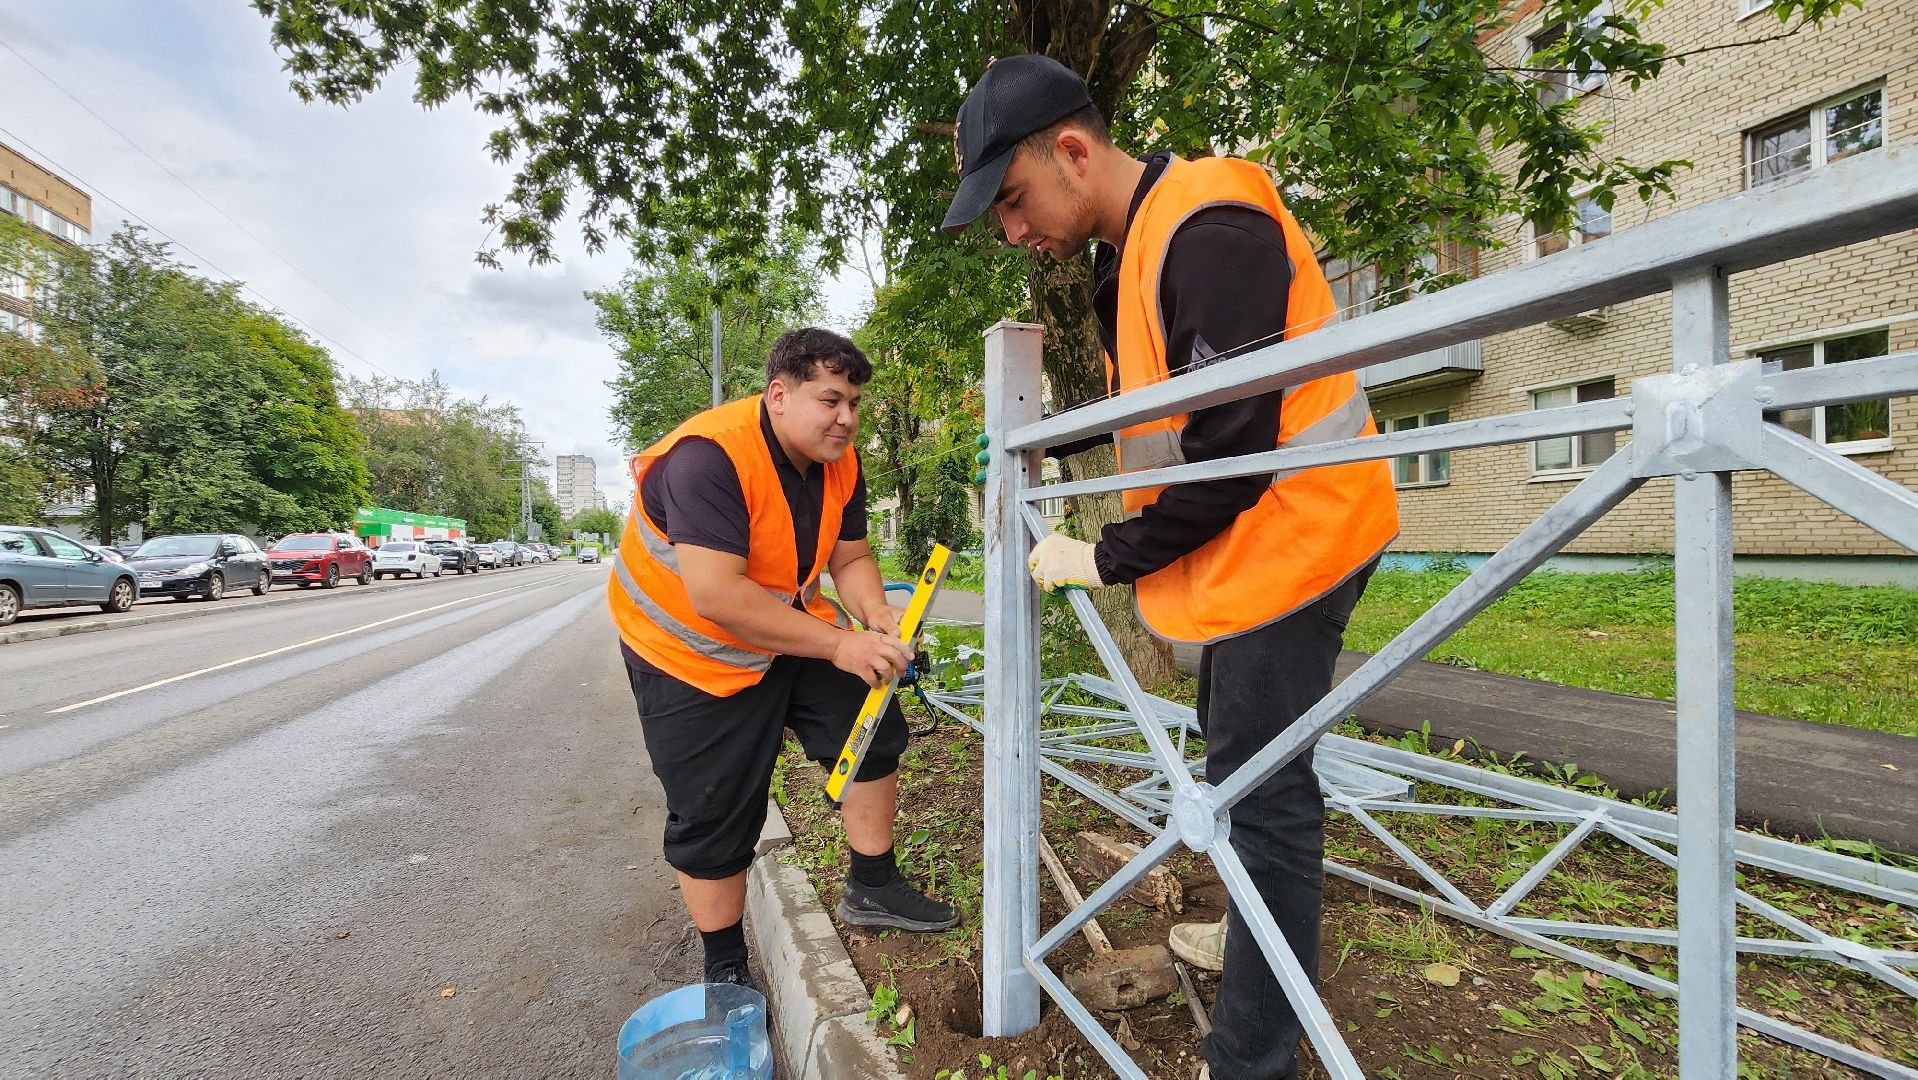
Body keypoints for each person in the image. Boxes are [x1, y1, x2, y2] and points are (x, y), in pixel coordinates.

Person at [942, 55, 1400, 1079]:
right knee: (1243, 784)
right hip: (1255, 549)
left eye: (1011, 199)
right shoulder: (1138, 248)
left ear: (1071, 150)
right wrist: (1052, 440)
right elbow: (1161, 419)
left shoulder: (1208, 225)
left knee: (1264, 799)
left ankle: (1251, 1058)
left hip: (1298, 538)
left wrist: (1097, 555)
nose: (1011, 231)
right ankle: (1254, 964)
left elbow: (1229, 458)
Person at [608, 327, 959, 988]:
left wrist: (875, 616)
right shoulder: (707, 458)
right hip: (690, 655)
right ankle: (725, 968)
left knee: (873, 725)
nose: (847, 418)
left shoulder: (840, 463)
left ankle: (874, 885)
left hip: (788, 630)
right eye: (831, 400)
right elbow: (717, 596)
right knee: (712, 812)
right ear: (778, 395)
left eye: (854, 403)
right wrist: (840, 644)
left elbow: (850, 556)